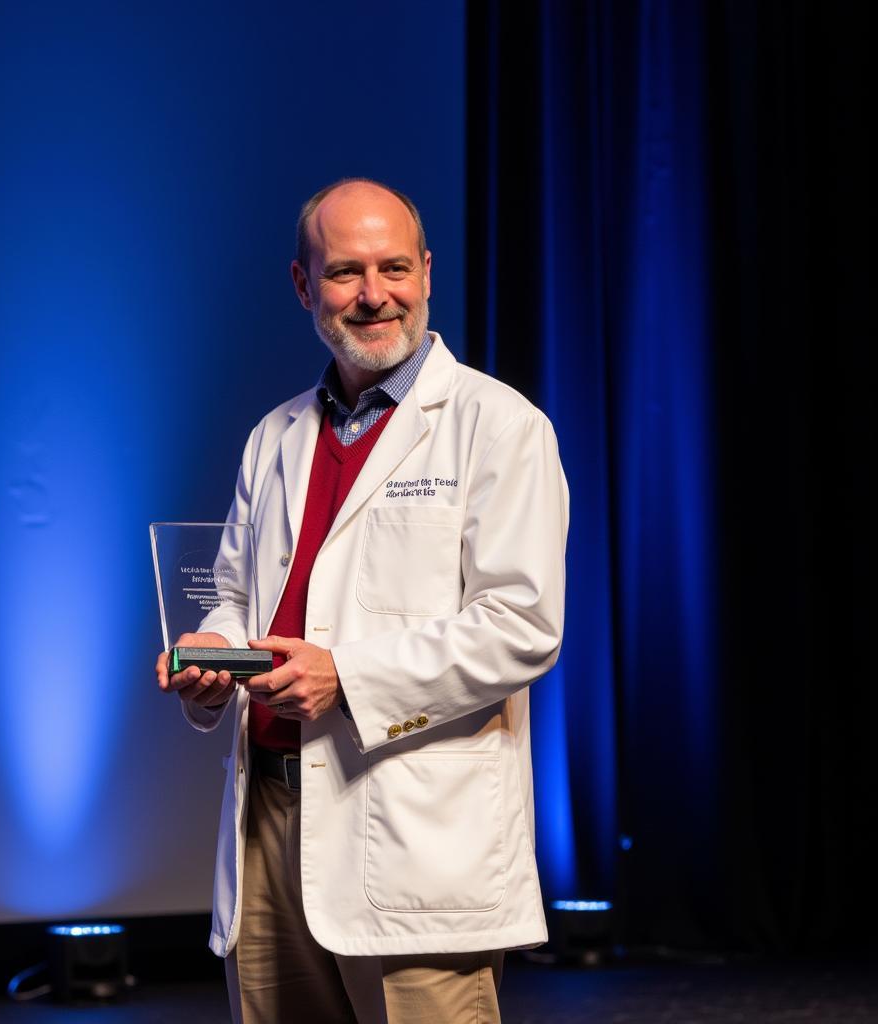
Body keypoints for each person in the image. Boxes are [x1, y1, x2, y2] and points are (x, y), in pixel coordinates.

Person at [155, 178, 569, 1024]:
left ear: (426, 271)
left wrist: (345, 675)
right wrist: (213, 661)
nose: (373, 295)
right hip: (271, 815)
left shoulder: (498, 425)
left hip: (412, 830)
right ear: (306, 287)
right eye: (345, 271)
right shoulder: (275, 435)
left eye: (393, 268)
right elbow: (239, 595)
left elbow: (522, 628)